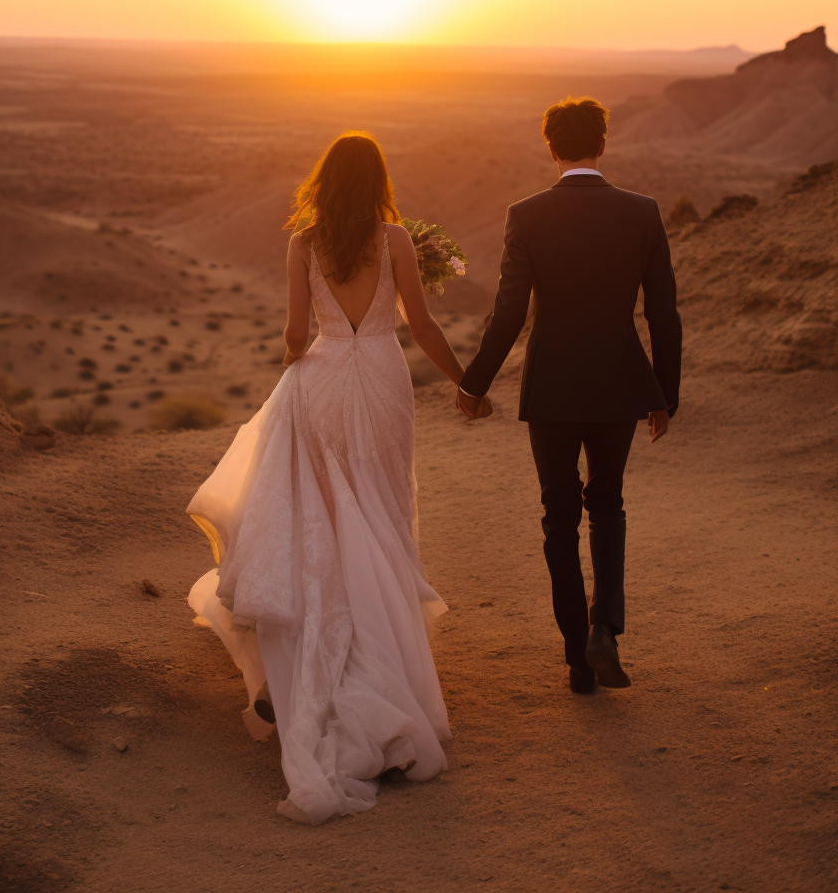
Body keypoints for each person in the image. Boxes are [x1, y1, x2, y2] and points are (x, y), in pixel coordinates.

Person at [186, 131, 471, 823]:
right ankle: (386, 667)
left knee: (328, 517)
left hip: (321, 379)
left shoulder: (302, 244)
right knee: (382, 512)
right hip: (381, 379)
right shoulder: (397, 239)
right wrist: (469, 382)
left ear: (324, 182)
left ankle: (324, 673)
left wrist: (299, 368)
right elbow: (423, 327)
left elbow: (291, 333)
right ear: (377, 181)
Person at [456, 97, 681, 693]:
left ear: (551, 148)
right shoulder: (642, 212)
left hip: (552, 387)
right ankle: (604, 629)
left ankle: (578, 661)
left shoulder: (527, 215)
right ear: (601, 145)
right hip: (618, 386)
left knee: (559, 517)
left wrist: (473, 384)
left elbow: (508, 314)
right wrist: (664, 395)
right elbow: (663, 314)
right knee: (607, 503)